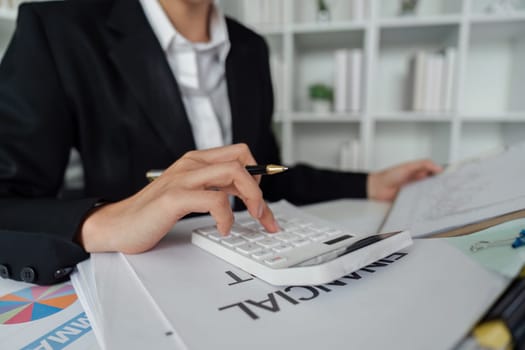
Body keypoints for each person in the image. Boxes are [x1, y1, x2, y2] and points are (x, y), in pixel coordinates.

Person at [0, 0, 441, 285]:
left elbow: (261, 176)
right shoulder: (57, 29)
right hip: (147, 280)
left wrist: (369, 183)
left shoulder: (249, 48)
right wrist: (102, 222)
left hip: (253, 264)